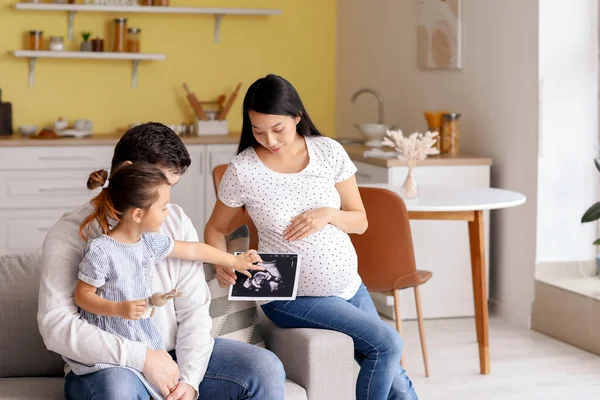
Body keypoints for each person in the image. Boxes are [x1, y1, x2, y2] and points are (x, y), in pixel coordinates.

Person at [204, 74, 419, 400]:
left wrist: (328, 214)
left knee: (398, 383)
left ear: (297, 116)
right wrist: (225, 259)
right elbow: (215, 229)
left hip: (348, 285)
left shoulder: (328, 152)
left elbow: (359, 221)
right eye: (258, 131)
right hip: (285, 292)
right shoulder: (244, 169)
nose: (269, 140)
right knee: (387, 344)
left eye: (278, 129)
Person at [38, 123, 285, 400]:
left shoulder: (172, 222)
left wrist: (190, 381)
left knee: (264, 367)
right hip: (108, 365)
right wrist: (142, 358)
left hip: (173, 354)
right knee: (118, 390)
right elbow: (56, 324)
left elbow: (194, 309)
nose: (170, 205)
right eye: (163, 187)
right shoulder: (72, 235)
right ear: (128, 173)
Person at [69, 162, 264, 400]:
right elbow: (83, 295)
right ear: (138, 214)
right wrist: (118, 308)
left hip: (146, 342)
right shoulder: (101, 250)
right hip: (114, 352)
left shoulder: (148, 243)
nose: (168, 213)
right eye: (162, 208)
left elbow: (193, 250)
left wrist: (234, 261)